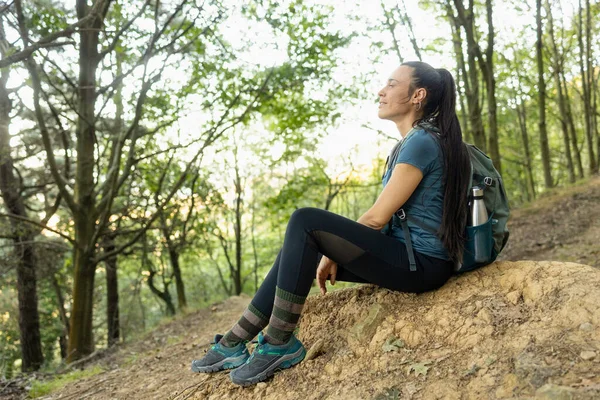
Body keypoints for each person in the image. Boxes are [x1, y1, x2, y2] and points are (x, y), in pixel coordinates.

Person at [191, 61, 471, 387]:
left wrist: (333, 250)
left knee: (305, 220)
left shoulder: (422, 142)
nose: (381, 91)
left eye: (392, 84)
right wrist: (332, 247)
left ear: (417, 95)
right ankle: (234, 342)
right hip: (409, 258)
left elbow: (378, 217)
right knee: (298, 246)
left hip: (421, 265)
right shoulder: (418, 141)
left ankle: (280, 341)